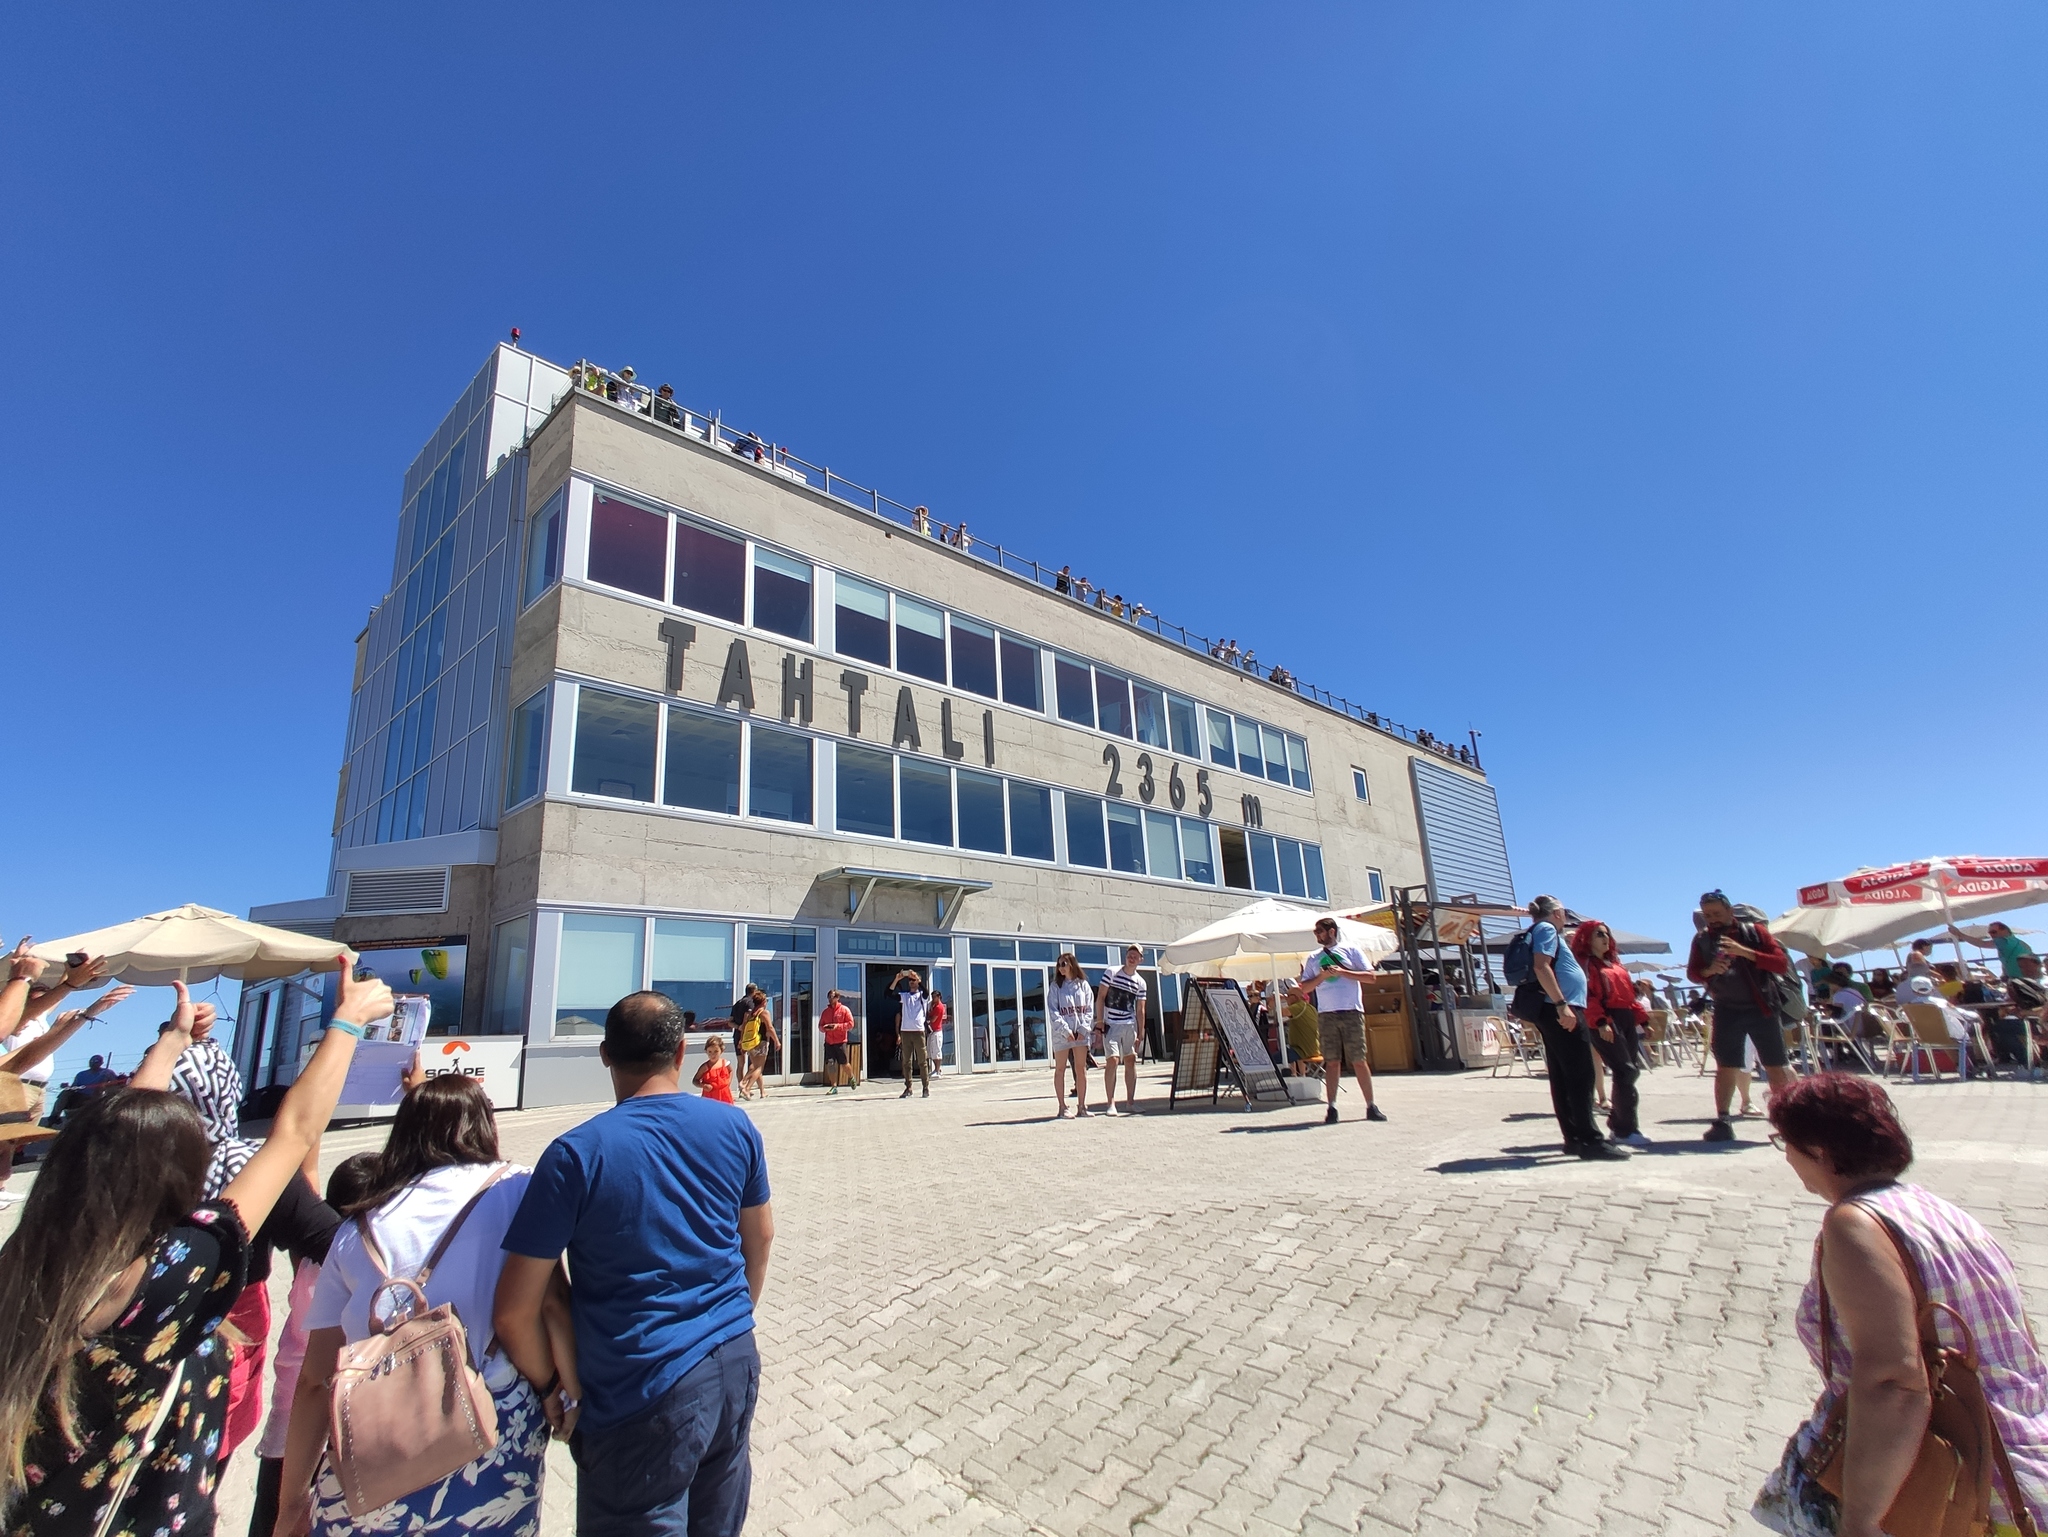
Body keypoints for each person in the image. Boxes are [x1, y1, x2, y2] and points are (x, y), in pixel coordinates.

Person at [0, 964, 382, 1537]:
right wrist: (347, 1022)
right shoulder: (169, 1278)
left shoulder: (24, 1271)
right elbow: (294, 1133)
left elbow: (117, 1143)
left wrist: (174, 1039)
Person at [496, 991, 773, 1537]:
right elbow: (759, 1239)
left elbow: (513, 1311)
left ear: (604, 1055)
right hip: (734, 1364)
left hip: (638, 1388)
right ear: (682, 1054)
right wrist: (729, 1317)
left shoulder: (574, 1155)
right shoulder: (735, 1127)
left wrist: (556, 1385)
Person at [1751, 1074, 2047, 1535]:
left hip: (1958, 1484)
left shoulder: (1854, 1226)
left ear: (1818, 1150)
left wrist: (1862, 1519)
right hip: (2024, 1455)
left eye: (1783, 1143)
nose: (1785, 1156)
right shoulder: (1944, 1213)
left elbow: (1895, 1381)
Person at [276, 1074, 546, 1537]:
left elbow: (316, 1381)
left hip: (379, 1439)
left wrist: (292, 1502)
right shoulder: (520, 1189)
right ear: (485, 1125)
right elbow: (553, 1302)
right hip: (492, 1426)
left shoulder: (357, 1227)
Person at [246, 1150, 379, 1537]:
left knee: (270, 1519)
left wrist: (306, 1140)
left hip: (287, 1422)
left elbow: (306, 1174)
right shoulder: (356, 1275)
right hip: (322, 1423)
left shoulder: (306, 1255)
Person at [1519, 896, 1624, 1159]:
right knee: (1581, 1073)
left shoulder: (1543, 931)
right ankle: (1590, 1140)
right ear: (1557, 913)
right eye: (1563, 912)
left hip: (1553, 1006)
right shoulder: (1546, 929)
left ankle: (1575, 1138)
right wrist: (1561, 1003)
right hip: (1558, 1007)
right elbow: (1541, 966)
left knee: (1563, 1074)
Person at [1688, 890, 1795, 1144]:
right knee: (1726, 1065)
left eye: (1716, 913)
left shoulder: (1754, 933)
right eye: (1707, 915)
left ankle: (1788, 1123)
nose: (1712, 919)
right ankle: (1723, 1120)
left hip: (1762, 1006)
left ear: (1729, 911)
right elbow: (1693, 973)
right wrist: (1709, 970)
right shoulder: (1702, 940)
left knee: (1775, 1065)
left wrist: (1745, 952)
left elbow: (1780, 963)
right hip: (1727, 1008)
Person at [1296, 919, 1389, 1126]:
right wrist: (1321, 976)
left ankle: (1371, 1105)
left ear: (1331, 931)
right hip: (1327, 1013)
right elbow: (1304, 988)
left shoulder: (1351, 949)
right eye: (1315, 932)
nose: (1317, 935)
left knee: (1358, 1059)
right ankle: (1332, 1107)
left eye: (1319, 931)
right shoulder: (1313, 958)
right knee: (1332, 1061)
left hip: (1351, 1011)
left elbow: (1370, 977)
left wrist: (1342, 972)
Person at [1573, 921, 1648, 1147]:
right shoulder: (1586, 966)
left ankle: (1620, 1124)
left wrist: (1643, 1020)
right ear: (1587, 939)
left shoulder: (1616, 964)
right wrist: (1601, 1021)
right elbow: (1588, 997)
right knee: (1625, 1070)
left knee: (1629, 1071)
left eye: (1606, 934)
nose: (1605, 938)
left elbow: (1628, 997)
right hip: (1605, 1018)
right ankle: (1625, 1128)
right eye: (1599, 934)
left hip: (1625, 1018)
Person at [1095, 946, 1148, 1117]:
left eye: (1135, 956)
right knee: (1113, 1060)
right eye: (1129, 955)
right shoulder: (1112, 972)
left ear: (1141, 959)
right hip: (1111, 1023)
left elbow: (1141, 1010)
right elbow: (1101, 997)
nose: (1131, 958)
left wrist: (1140, 1032)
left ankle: (1130, 1102)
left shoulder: (1141, 983)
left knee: (1131, 1060)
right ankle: (1111, 1103)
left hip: (1129, 1025)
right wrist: (1100, 1021)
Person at [1048, 954, 1093, 1118]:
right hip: (1062, 1035)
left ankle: (1082, 1106)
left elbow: (1089, 1009)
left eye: (1064, 963)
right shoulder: (1055, 987)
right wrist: (1065, 1030)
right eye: (1059, 964)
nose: (1061, 967)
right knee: (1060, 1069)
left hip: (1080, 1034)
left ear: (1072, 965)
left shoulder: (1083, 985)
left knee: (1081, 1069)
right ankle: (1062, 1107)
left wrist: (1083, 1029)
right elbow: (1053, 1010)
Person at [893, 970, 931, 1098]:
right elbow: (888, 993)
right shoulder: (905, 996)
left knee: (922, 1061)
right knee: (906, 1062)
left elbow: (926, 992)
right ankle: (908, 1087)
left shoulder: (922, 995)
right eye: (910, 980)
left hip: (918, 1031)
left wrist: (917, 978)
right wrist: (897, 979)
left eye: (913, 980)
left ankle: (925, 1087)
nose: (911, 982)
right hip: (906, 1031)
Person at [736, 993, 779, 1101]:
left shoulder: (750, 1014)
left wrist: (741, 1041)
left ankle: (762, 1092)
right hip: (761, 1042)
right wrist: (777, 1041)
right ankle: (746, 1086)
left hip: (751, 1043)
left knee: (755, 1066)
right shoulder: (764, 1013)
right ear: (764, 1002)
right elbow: (770, 1028)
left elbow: (743, 1028)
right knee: (759, 1068)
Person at [1282, 981, 1322, 1077]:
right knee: (1283, 1054)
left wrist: (1274, 1002)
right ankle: (1298, 1076)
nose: (1286, 998)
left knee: (1274, 1059)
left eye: (1288, 996)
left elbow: (1283, 1013)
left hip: (1303, 1050)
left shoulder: (1298, 1006)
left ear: (1294, 997)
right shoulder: (1310, 1007)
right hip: (1313, 1048)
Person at [819, 989, 856, 1093]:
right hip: (829, 1042)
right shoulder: (825, 1012)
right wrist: (825, 1028)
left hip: (840, 1041)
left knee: (844, 1063)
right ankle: (834, 1086)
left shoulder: (844, 1010)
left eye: (833, 997)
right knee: (830, 1064)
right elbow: (820, 1026)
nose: (831, 999)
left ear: (838, 998)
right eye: (829, 997)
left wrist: (837, 1027)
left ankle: (851, 1077)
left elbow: (851, 1024)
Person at [695, 1035, 737, 1103]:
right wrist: (704, 1085)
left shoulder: (725, 1063)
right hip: (710, 1096)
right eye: (710, 1052)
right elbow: (695, 1080)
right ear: (706, 1051)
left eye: (716, 1051)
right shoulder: (705, 1067)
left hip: (724, 1094)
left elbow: (730, 1071)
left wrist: (728, 1082)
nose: (712, 1054)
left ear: (721, 1051)